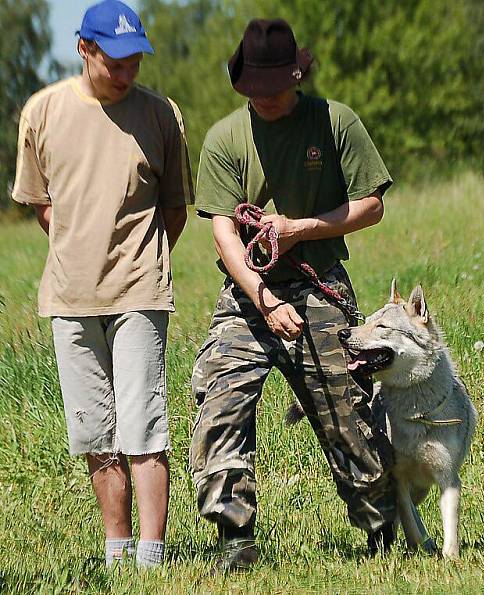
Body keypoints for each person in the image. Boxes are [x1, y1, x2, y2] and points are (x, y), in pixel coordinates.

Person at [189, 18, 396, 572]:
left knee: (346, 412)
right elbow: (223, 233)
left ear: (297, 75)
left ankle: (382, 525)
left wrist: (300, 229)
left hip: (319, 280)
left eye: (276, 88)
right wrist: (263, 299)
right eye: (255, 91)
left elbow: (371, 205)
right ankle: (235, 538)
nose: (267, 100)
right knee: (219, 402)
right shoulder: (224, 139)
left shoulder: (335, 122)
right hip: (248, 295)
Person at [11, 0, 193, 568]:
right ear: (83, 49)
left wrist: (136, 261)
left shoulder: (162, 115)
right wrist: (82, 251)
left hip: (140, 289)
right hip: (70, 295)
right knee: (96, 432)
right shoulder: (42, 113)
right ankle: (117, 553)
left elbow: (174, 210)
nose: (127, 70)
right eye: (115, 60)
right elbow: (41, 206)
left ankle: (152, 557)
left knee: (145, 424)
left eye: (135, 58)